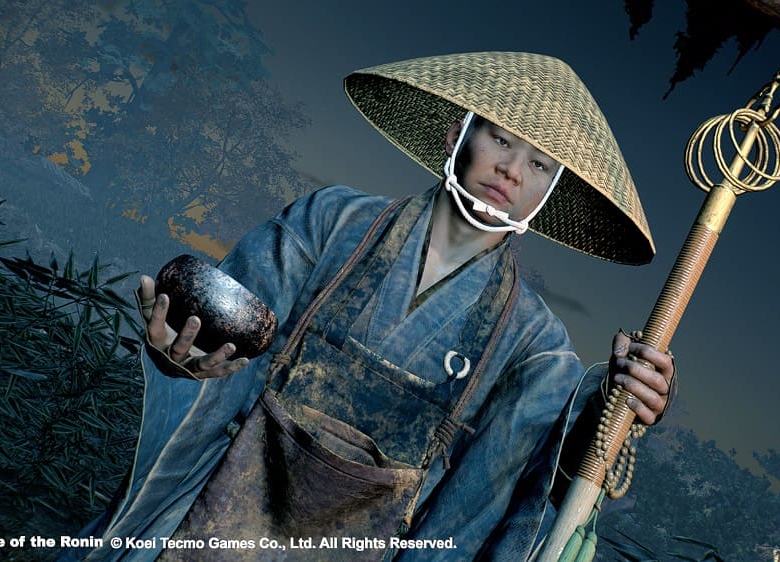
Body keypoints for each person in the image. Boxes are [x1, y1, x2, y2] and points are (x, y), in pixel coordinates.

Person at [65, 52, 674, 561]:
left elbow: (530, 469)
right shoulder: (331, 220)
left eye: (539, 164)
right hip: (211, 524)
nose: (512, 171)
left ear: (550, 192)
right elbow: (230, 337)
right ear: (455, 133)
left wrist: (614, 406)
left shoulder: (535, 346)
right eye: (501, 138)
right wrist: (186, 356)